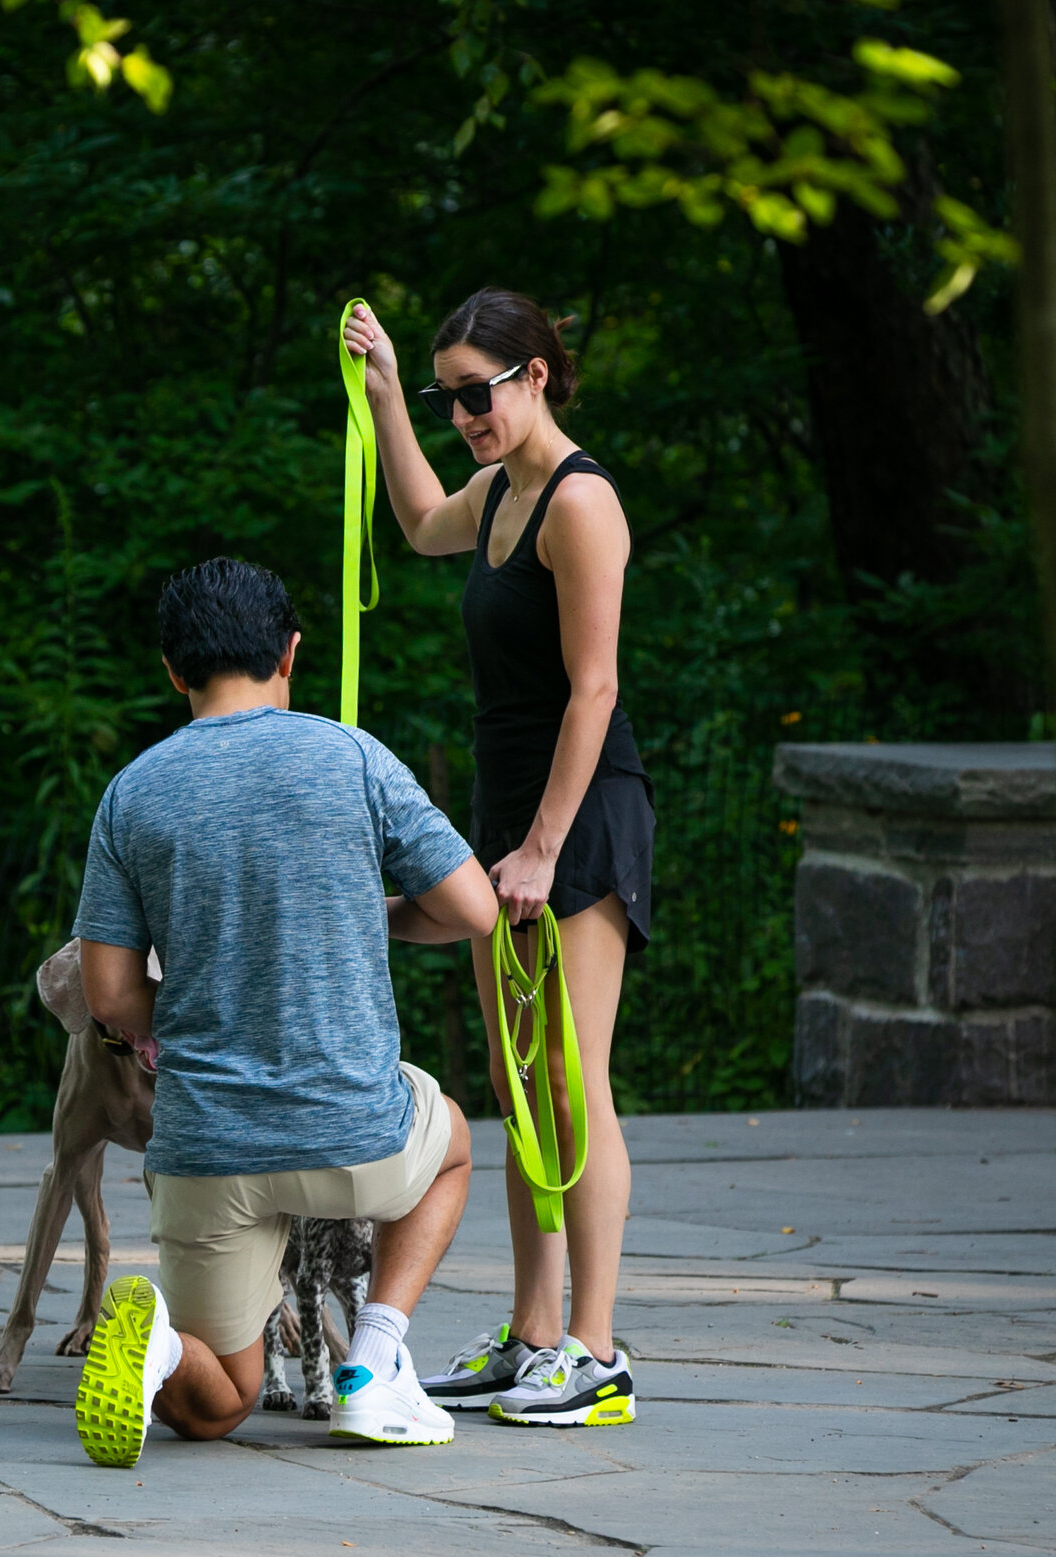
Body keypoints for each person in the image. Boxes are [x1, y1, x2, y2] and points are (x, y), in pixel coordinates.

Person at [69, 556, 502, 1467]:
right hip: (352, 1136)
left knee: (218, 1404)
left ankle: (160, 1351)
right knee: (455, 1142)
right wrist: (373, 913)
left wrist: (203, 1000)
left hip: (208, 1147)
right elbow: (473, 908)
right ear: (292, 653)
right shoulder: (353, 756)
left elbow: (108, 995)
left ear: (174, 670)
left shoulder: (132, 793)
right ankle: (375, 1360)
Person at [342, 287, 652, 1428]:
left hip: (578, 817)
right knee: (520, 1079)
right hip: (508, 815)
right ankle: (532, 1335)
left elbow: (594, 689)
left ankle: (596, 1350)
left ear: (536, 375)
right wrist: (387, 394)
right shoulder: (497, 492)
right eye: (450, 398)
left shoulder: (580, 501)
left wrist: (540, 848)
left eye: (477, 394)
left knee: (571, 1080)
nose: (465, 416)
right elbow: (421, 520)